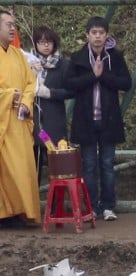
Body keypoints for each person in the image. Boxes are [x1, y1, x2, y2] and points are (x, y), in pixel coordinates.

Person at [66, 16, 130, 222]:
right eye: (94, 33)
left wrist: (102, 76)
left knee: (107, 164)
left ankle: (109, 206)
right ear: (87, 35)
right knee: (90, 166)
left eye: (101, 33)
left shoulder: (115, 57)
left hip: (108, 119)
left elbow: (126, 83)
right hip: (85, 121)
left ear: (107, 35)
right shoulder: (77, 58)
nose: (97, 37)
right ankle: (91, 206)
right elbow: (70, 84)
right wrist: (92, 75)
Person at [0, 9, 40, 226]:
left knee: (23, 169)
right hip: (2, 124)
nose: (13, 28)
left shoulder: (18, 55)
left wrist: (24, 102)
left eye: (14, 24)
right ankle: (5, 215)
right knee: (6, 171)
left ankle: (21, 212)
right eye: (8, 24)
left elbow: (30, 83)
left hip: (18, 120)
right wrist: (7, 96)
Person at [31, 26, 71, 182]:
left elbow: (70, 91)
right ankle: (33, 202)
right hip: (33, 121)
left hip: (54, 121)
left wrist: (50, 93)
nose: (45, 46)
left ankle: (56, 203)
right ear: (35, 44)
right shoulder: (28, 63)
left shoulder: (63, 65)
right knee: (33, 165)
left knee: (57, 166)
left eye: (49, 42)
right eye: (41, 42)